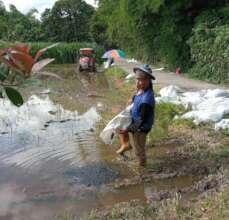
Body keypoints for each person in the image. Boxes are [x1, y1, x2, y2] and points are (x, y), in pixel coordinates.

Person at [116, 64, 155, 166]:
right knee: (121, 130)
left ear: (148, 81)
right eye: (137, 79)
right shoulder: (141, 90)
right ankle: (127, 145)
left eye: (141, 80)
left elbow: (140, 121)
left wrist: (128, 129)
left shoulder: (147, 100)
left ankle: (142, 167)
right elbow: (135, 97)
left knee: (139, 150)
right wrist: (132, 99)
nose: (138, 82)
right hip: (136, 123)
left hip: (141, 128)